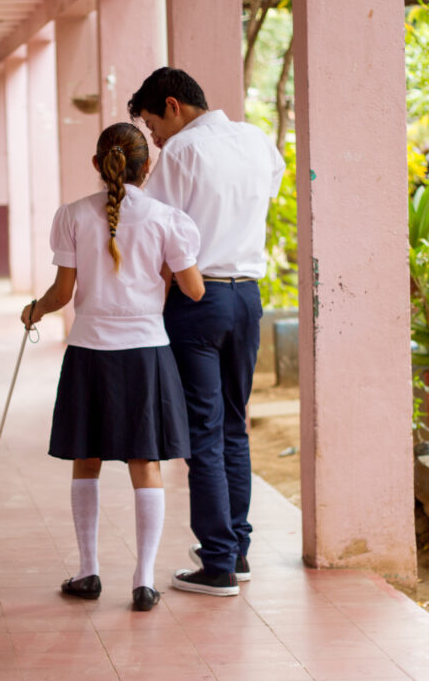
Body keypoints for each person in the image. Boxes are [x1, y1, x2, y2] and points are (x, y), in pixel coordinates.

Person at [20, 122, 205, 612]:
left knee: (87, 459)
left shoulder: (73, 215)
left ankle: (88, 572)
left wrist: (34, 310)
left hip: (89, 351)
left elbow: (62, 293)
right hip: (147, 352)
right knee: (146, 463)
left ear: (98, 165)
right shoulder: (167, 219)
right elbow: (195, 290)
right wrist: (162, 275)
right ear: (148, 166)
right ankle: (143, 582)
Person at [128, 67, 286, 597]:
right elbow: (264, 195)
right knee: (233, 425)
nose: (154, 138)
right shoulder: (256, 140)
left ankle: (216, 563)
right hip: (247, 298)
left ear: (173, 106)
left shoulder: (182, 151)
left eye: (153, 125)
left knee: (203, 430)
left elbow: (155, 228)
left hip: (199, 300)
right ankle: (236, 550)